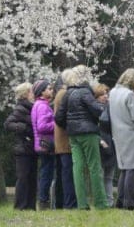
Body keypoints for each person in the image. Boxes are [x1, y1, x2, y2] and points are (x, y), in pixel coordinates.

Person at [55, 65, 108, 210]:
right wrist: (100, 109)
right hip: (88, 133)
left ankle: (82, 204)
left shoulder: (68, 94)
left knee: (77, 167)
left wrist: (69, 125)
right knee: (94, 167)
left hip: (73, 135)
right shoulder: (85, 92)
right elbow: (97, 110)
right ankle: (100, 203)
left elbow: (58, 117)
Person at [108, 69, 134, 209]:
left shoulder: (113, 92)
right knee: (132, 169)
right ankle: (129, 203)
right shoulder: (129, 94)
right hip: (131, 134)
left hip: (118, 133)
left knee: (124, 168)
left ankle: (120, 201)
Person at [3, 82, 37, 210]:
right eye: (31, 92)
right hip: (23, 148)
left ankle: (30, 206)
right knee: (23, 178)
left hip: (30, 147)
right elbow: (7, 124)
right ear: (26, 93)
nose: (33, 94)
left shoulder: (31, 108)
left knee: (32, 178)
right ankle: (20, 206)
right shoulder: (20, 109)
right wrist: (23, 128)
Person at [51, 69, 78, 208]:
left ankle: (61, 203)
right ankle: (69, 203)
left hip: (61, 140)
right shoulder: (63, 94)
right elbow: (60, 118)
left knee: (63, 173)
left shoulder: (60, 94)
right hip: (65, 141)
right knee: (67, 174)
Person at [30, 79, 55, 209]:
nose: (51, 91)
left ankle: (44, 200)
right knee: (47, 174)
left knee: (46, 172)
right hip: (46, 144)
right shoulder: (42, 106)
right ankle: (44, 201)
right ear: (42, 91)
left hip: (41, 144)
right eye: (49, 89)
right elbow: (42, 126)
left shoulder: (39, 105)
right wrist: (56, 123)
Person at [94, 82, 117, 204]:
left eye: (106, 94)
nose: (106, 96)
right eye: (103, 94)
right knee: (100, 174)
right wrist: (100, 141)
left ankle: (110, 201)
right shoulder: (94, 109)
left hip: (111, 142)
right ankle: (102, 200)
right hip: (100, 142)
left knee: (109, 176)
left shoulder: (111, 108)